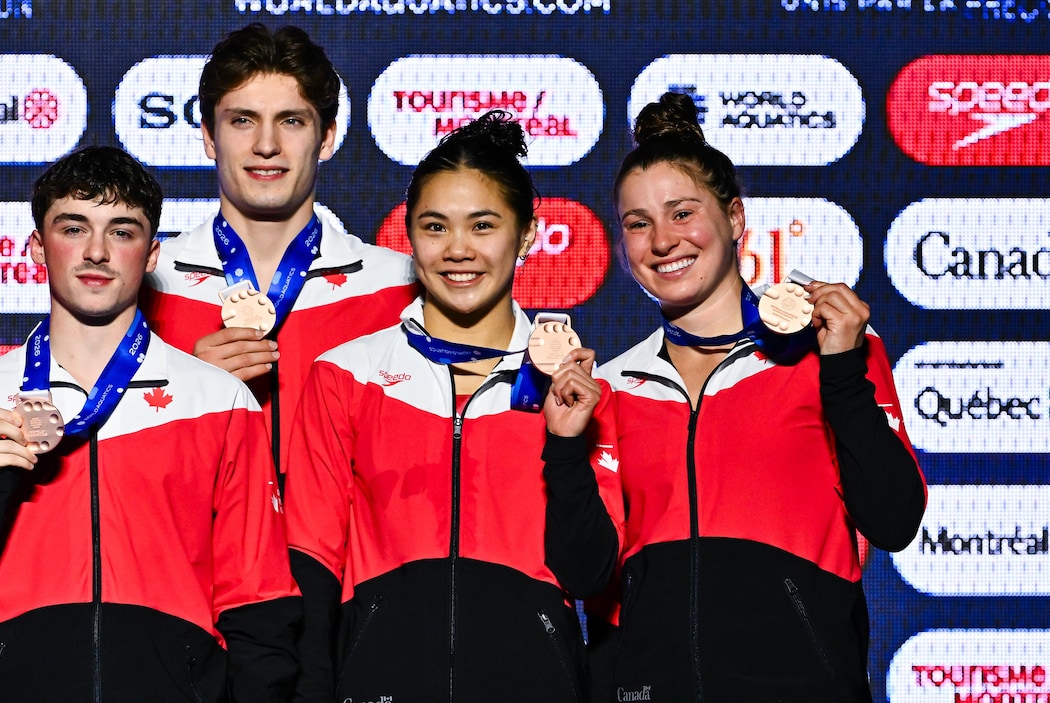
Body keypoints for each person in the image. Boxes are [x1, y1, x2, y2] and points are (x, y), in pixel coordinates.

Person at [0, 146, 299, 702]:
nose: (97, 252)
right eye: (74, 227)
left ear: (151, 254)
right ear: (37, 247)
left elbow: (259, 599)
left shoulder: (217, 401)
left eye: (122, 232)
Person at [594, 92, 926, 701]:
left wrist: (844, 369)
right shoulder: (611, 386)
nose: (661, 240)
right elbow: (596, 579)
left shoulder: (832, 349)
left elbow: (894, 519)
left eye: (682, 212)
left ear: (736, 218)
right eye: (637, 223)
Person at [286, 111, 624, 703]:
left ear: (525, 235)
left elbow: (590, 575)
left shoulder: (576, 388)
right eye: (435, 226)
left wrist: (566, 444)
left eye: (483, 225)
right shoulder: (345, 375)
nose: (459, 250)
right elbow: (312, 563)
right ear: (408, 237)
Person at [141, 23, 416, 484]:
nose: (266, 145)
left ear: (326, 137)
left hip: (341, 556)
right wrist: (188, 393)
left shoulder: (397, 286)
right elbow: (94, 465)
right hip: (196, 554)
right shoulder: (146, 281)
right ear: (209, 136)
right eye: (242, 120)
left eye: (291, 120)